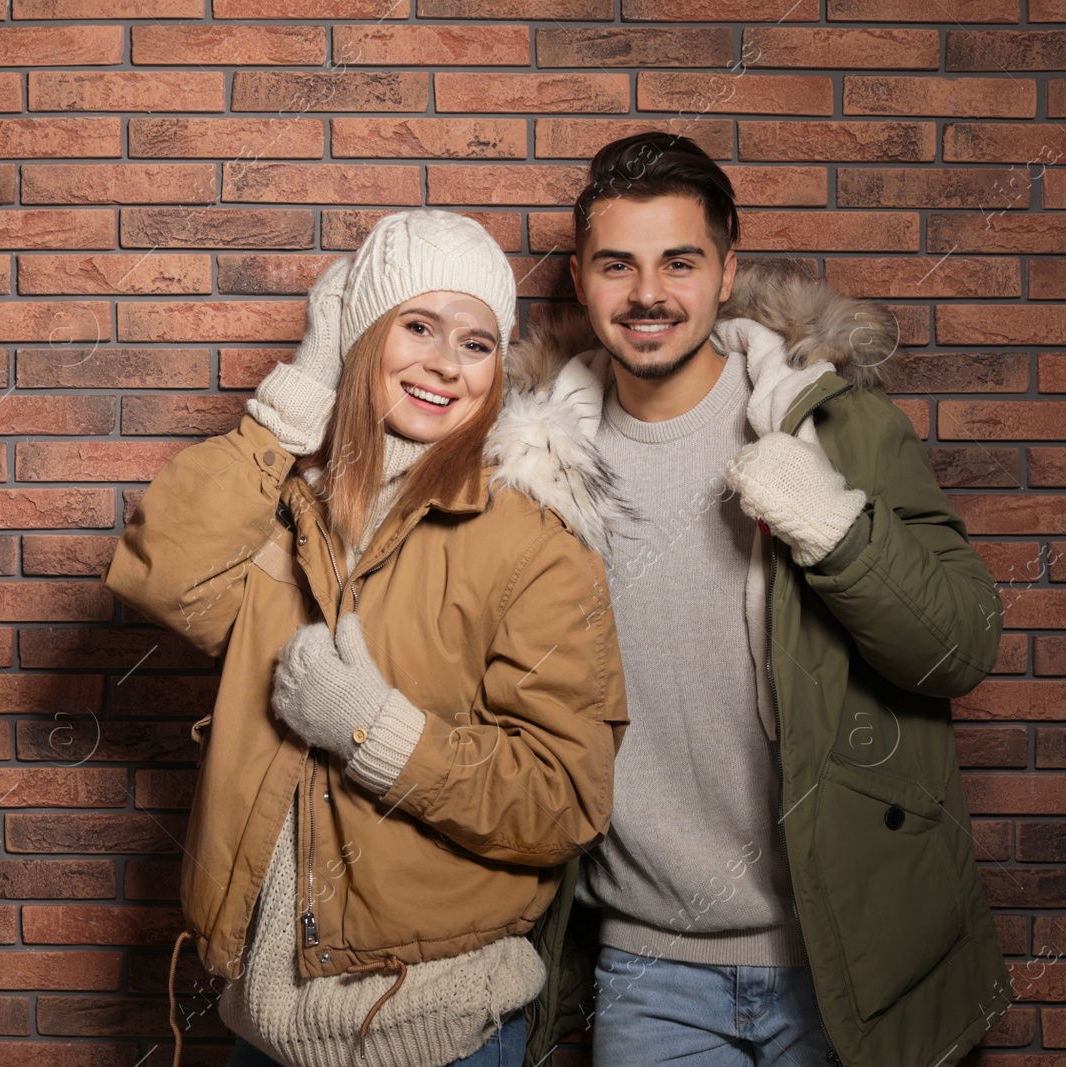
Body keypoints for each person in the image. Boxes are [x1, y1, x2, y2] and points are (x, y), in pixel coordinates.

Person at [521, 133, 1012, 1066]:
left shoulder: (834, 422)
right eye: (618, 265)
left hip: (843, 961)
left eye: (680, 261)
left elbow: (961, 646)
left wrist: (836, 525)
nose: (649, 294)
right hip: (646, 972)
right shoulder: (536, 467)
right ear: (581, 279)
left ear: (727, 269)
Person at [104, 209, 629, 1067]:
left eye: (476, 342)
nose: (444, 365)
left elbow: (566, 797)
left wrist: (376, 729)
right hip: (261, 1032)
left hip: (433, 1038)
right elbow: (163, 575)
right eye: (415, 326)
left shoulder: (535, 540)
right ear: (362, 335)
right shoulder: (287, 504)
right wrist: (302, 392)